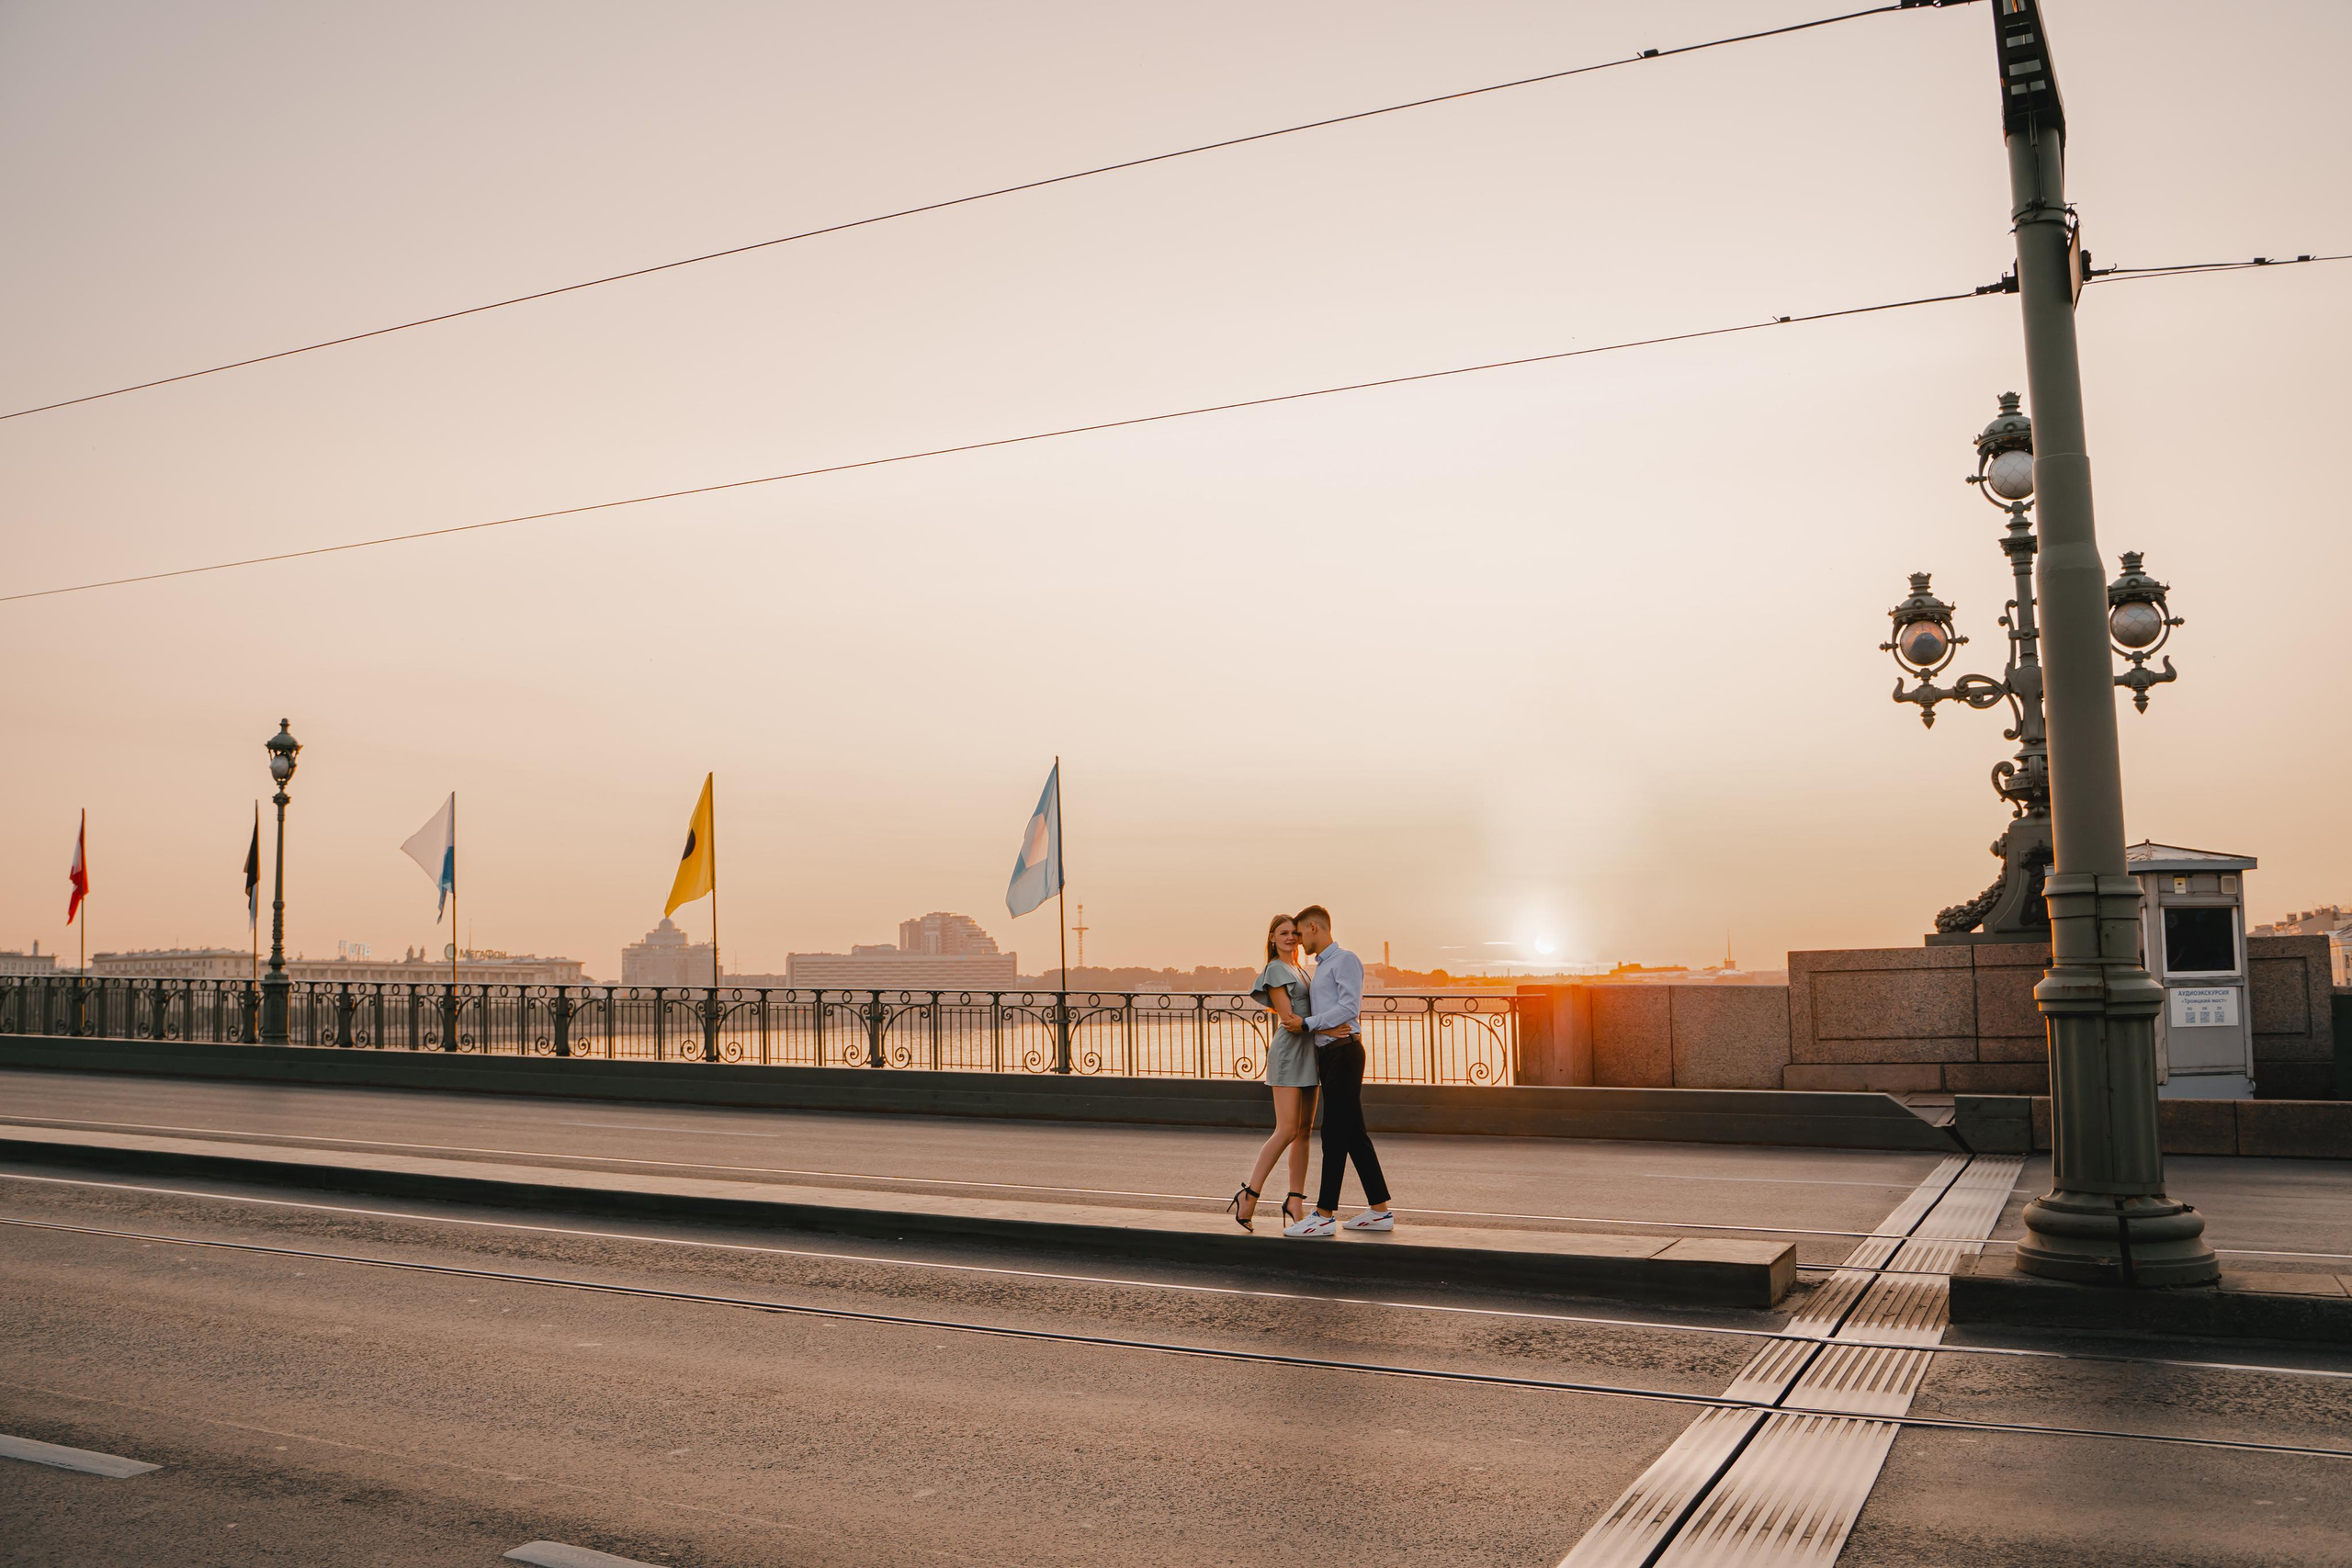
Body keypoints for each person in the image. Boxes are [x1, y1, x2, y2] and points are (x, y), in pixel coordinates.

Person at [1282, 905, 1393, 1236]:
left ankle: (1324, 1214)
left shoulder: (1345, 960)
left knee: (1333, 1133)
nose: (1298, 941)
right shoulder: (1323, 966)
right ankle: (1379, 1211)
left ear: (1314, 927)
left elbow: (1349, 1007)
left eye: (1300, 933)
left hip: (1344, 1053)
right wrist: (1319, 1031)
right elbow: (1335, 1012)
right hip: (1331, 1055)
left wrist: (1308, 1025)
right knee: (1354, 1135)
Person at [1228, 913, 1319, 1231]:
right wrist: (1327, 1027)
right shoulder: (1276, 969)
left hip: (1309, 1052)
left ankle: (1295, 1201)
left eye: (1294, 932)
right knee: (1286, 1130)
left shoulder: (1300, 969)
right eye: (1283, 933)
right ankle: (1249, 1195)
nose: (1291, 937)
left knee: (1305, 1132)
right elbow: (1289, 1019)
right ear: (1271, 938)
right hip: (1290, 1053)